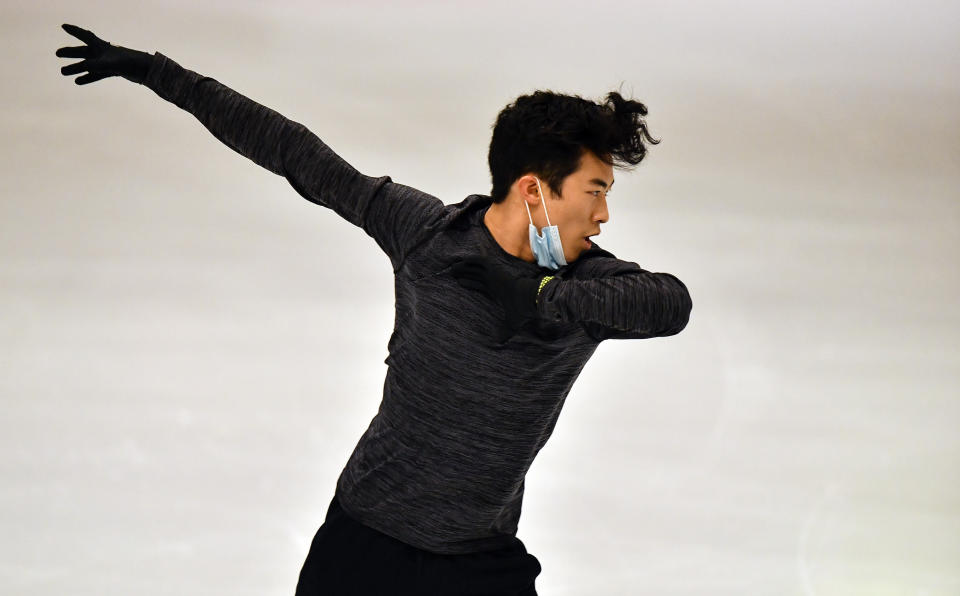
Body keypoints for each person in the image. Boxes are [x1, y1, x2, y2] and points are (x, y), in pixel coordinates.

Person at [56, 23, 692, 596]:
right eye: (594, 191)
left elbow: (670, 303)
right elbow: (295, 154)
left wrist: (540, 294)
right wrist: (157, 73)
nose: (604, 216)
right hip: (364, 544)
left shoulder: (587, 287)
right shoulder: (428, 233)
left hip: (479, 565)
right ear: (533, 189)